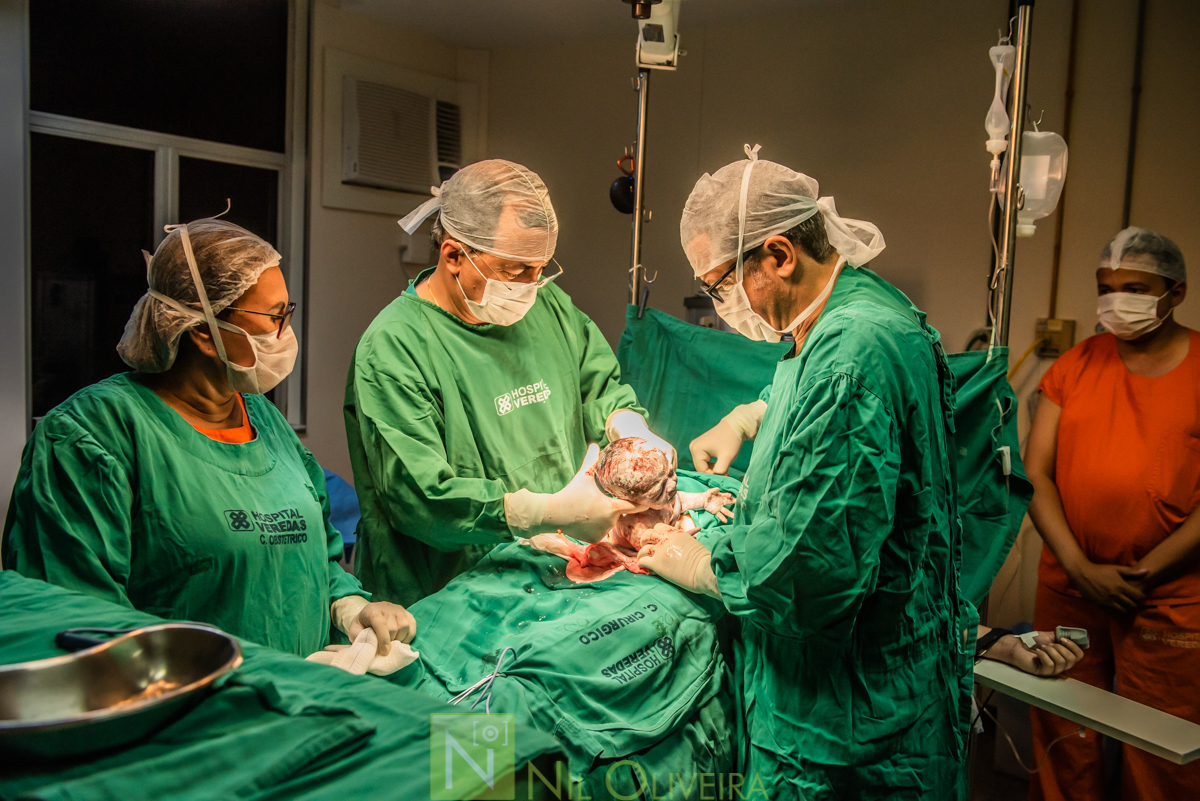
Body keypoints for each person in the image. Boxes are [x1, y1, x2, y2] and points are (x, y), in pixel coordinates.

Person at [636, 145, 969, 799]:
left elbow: (810, 570)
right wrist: (751, 415)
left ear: (779, 255)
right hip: (884, 697)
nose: (717, 303)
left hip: (843, 727)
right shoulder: (859, 308)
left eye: (719, 285)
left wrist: (700, 562)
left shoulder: (851, 350)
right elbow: (858, 428)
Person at [2, 216, 413, 659]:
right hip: (188, 715)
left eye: (286, 312)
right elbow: (77, 625)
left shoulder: (264, 421)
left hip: (297, 699)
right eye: (275, 317)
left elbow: (316, 558)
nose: (285, 331)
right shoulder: (89, 439)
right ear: (203, 331)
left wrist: (349, 606)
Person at [344, 159, 672, 607]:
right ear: (454, 256)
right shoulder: (394, 348)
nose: (531, 285)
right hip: (449, 589)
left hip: (555, 571)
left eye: (540, 268)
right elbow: (422, 499)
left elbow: (597, 385)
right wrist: (543, 512)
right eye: (515, 270)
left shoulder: (547, 305)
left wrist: (628, 425)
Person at [1024, 227, 1200, 801]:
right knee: (1061, 731)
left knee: (1161, 749)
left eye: (1135, 287)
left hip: (1168, 597)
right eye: (1106, 287)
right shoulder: (1077, 365)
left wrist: (1142, 573)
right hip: (1071, 584)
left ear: (1174, 293)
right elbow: (1036, 473)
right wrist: (1080, 568)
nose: (1116, 300)